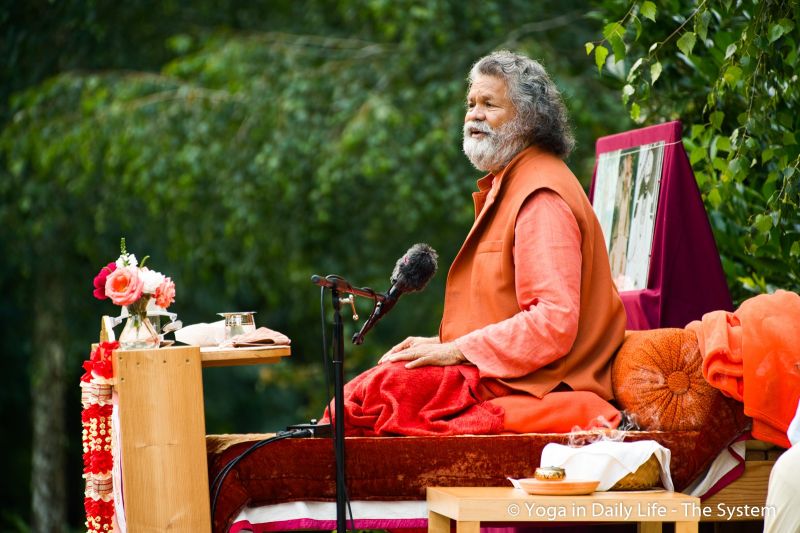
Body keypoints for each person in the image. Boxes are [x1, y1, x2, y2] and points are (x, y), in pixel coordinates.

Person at [374, 50, 627, 433]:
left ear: (527, 119)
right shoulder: (513, 182)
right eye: (471, 104)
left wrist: (457, 350)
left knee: (379, 397)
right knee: (384, 383)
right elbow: (502, 315)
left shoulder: (541, 195)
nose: (473, 115)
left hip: (544, 384)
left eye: (489, 105)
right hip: (515, 377)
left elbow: (553, 323)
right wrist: (441, 343)